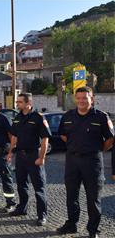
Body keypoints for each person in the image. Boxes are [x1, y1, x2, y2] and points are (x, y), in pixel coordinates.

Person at [57, 87, 114, 238]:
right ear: (75, 99)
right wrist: (73, 145)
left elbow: (110, 139)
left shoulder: (101, 117)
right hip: (72, 161)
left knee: (93, 198)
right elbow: (63, 135)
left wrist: (97, 149)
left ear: (92, 99)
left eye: (85, 98)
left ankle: (93, 229)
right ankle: (71, 224)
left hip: (92, 162)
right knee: (71, 195)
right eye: (79, 98)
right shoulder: (68, 116)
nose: (81, 101)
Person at [7, 93, 51, 226]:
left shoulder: (38, 117)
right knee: (21, 184)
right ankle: (22, 208)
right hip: (20, 155)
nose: (17, 104)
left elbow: (45, 139)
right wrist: (10, 152)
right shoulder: (17, 117)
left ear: (28, 103)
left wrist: (42, 158)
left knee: (39, 187)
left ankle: (42, 215)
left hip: (34, 155)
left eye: (19, 102)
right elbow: (14, 137)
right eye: (17, 101)